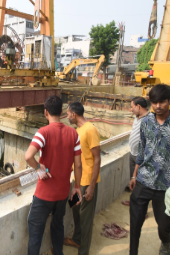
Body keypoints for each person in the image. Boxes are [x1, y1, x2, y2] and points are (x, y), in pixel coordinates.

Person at [129, 84, 170, 255]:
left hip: (167, 186)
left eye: (162, 102)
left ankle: (166, 242)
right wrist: (134, 175)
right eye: (154, 102)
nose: (158, 106)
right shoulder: (145, 122)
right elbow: (141, 150)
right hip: (144, 181)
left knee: (163, 225)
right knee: (135, 222)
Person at [25, 95, 83, 255]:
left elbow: (28, 156)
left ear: (46, 112)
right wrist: (76, 187)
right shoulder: (73, 134)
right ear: (63, 112)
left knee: (35, 231)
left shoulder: (43, 132)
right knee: (58, 226)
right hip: (63, 193)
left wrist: (39, 168)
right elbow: (78, 165)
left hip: (44, 194)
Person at [64, 102, 101, 255]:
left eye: (67, 114)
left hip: (87, 183)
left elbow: (97, 159)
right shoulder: (78, 130)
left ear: (74, 114)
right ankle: (77, 239)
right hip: (78, 181)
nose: (66, 117)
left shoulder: (90, 130)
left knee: (86, 219)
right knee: (75, 210)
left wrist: (92, 186)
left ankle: (83, 251)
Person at [123, 97, 149, 201]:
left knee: (142, 183)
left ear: (138, 106)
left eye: (132, 107)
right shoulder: (136, 117)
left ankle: (142, 208)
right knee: (133, 179)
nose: (131, 109)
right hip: (133, 153)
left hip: (142, 157)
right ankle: (133, 201)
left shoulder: (150, 120)